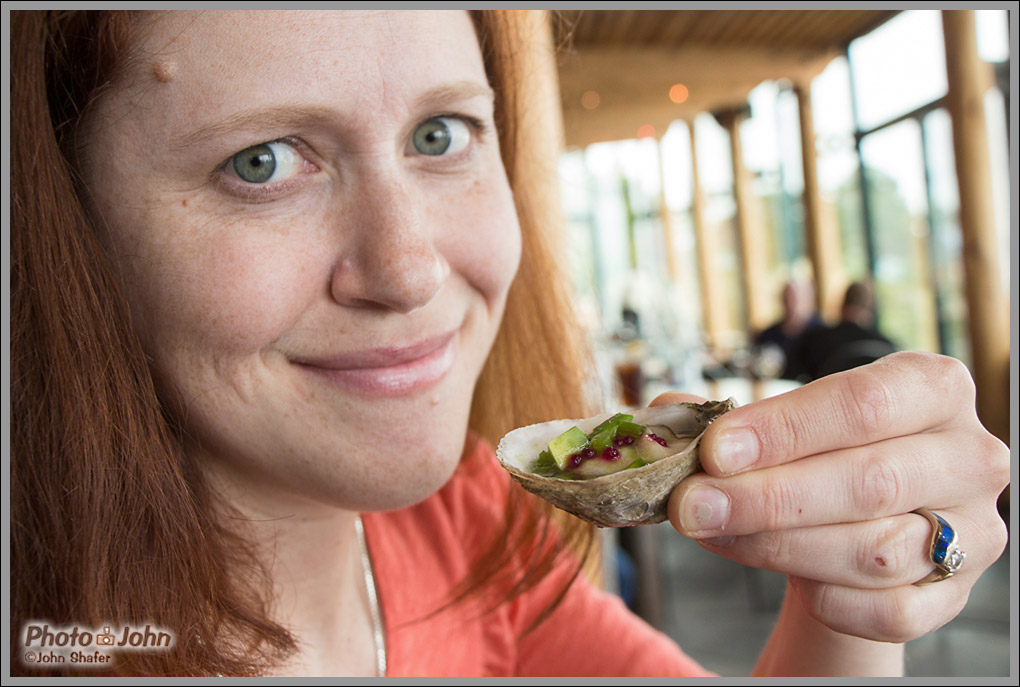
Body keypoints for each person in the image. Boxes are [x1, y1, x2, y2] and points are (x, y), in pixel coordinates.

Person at [10, 10, 1009, 677]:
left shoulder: (474, 524)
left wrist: (851, 587)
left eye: (440, 135)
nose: (409, 270)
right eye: (260, 162)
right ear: (64, 223)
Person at [796, 280, 898, 382]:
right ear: (870, 312)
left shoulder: (815, 340)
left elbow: (794, 380)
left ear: (841, 306)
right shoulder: (888, 347)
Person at [751, 279, 824, 380]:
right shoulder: (768, 336)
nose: (791, 303)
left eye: (796, 298)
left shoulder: (824, 334)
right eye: (787, 298)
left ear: (810, 300)